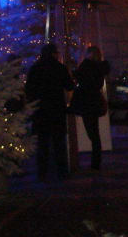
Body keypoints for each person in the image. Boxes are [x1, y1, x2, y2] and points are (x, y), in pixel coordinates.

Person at [25, 43, 74, 182]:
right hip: (57, 108)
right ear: (54, 54)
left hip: (40, 110)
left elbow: (29, 89)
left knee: (42, 143)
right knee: (59, 143)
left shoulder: (35, 68)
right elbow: (69, 85)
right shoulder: (60, 68)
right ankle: (62, 172)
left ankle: (42, 173)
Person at [71, 45, 110, 170]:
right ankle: (96, 161)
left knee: (92, 132)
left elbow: (80, 78)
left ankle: (95, 162)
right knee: (95, 133)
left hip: (86, 102)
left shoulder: (87, 66)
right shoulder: (100, 67)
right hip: (95, 101)